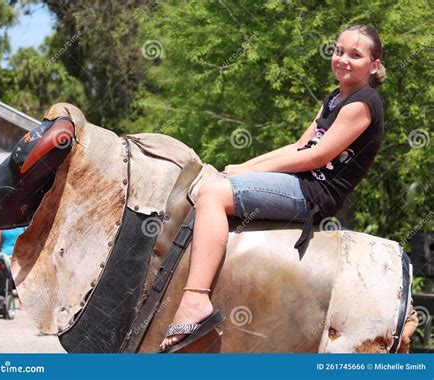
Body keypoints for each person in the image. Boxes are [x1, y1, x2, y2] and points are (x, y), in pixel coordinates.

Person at [160, 24, 386, 350]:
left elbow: (315, 157)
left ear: (374, 64)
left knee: (212, 194)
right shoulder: (336, 97)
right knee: (217, 181)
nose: (343, 59)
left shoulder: (363, 103)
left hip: (313, 194)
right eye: (339, 51)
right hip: (300, 182)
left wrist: (242, 175)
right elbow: (298, 146)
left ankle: (195, 301)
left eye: (355, 54)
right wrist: (245, 167)